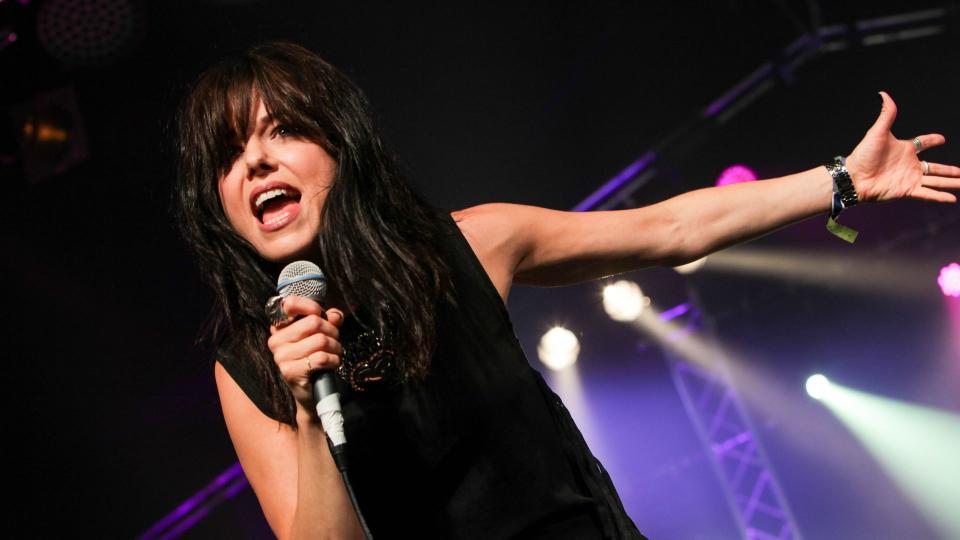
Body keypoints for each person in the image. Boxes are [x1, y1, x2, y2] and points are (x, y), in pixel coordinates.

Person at [172, 40, 959, 539]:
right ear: (217, 202)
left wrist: (842, 182)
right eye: (228, 153)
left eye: (282, 131)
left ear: (339, 146)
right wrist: (310, 412)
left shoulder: (469, 243)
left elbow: (668, 229)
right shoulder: (248, 368)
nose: (257, 163)